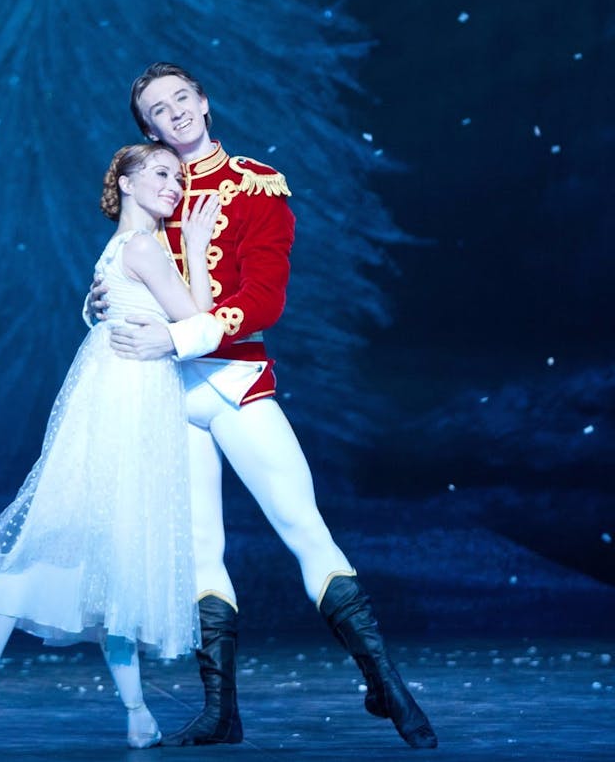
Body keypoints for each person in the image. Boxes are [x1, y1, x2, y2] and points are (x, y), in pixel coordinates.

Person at [87, 62, 438, 749]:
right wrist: (99, 301)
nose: (175, 112)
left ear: (205, 102)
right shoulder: (154, 192)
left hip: (233, 380)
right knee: (200, 552)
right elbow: (121, 272)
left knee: (303, 528)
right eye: (158, 108)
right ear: (147, 129)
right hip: (164, 398)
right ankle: (221, 712)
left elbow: (265, 300)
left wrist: (176, 336)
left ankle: (393, 691)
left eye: (182, 98)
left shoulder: (254, 184)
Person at [0, 142, 223, 751]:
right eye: (162, 173)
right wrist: (195, 250)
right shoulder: (145, 245)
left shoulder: (122, 246)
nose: (175, 184)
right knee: (99, 544)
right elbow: (196, 321)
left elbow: (119, 308)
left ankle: (124, 708)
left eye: (179, 176)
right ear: (127, 178)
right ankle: (0, 688)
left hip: (115, 395)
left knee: (102, 553)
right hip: (127, 401)